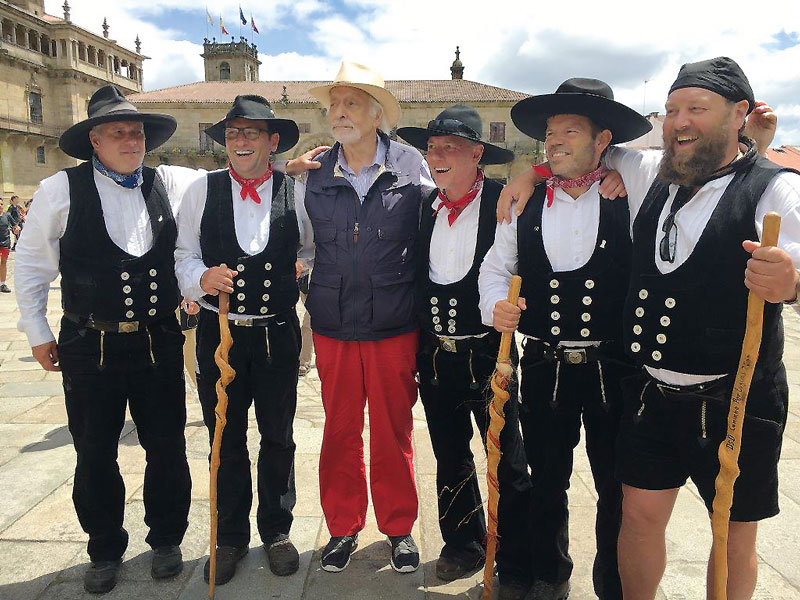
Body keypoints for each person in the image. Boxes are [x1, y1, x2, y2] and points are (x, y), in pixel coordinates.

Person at [499, 57, 796, 600]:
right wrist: (531, 172)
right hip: (650, 395)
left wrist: (791, 280)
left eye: (697, 110)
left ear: (739, 114)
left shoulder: (775, 191)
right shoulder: (648, 170)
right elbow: (582, 150)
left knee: (731, 535)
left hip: (736, 399)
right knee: (636, 517)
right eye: (674, 109)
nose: (679, 121)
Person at [14, 85, 197, 594]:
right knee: (94, 450)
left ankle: (166, 538)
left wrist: (289, 172)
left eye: (136, 132)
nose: (130, 140)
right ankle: (103, 548)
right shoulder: (59, 190)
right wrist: (37, 331)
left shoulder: (173, 183)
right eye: (117, 132)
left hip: (158, 341)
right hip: (88, 344)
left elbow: (227, 183)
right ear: (94, 139)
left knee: (167, 446)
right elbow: (30, 265)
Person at [479, 79, 651, 600]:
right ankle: (548, 576)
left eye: (569, 131)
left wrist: (616, 165)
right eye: (550, 132)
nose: (553, 141)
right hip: (545, 365)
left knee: (613, 484)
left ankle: (612, 585)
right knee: (547, 479)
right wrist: (497, 306)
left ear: (603, 140)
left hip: (612, 368)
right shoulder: (524, 201)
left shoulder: (631, 192)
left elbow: (675, 158)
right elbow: (494, 268)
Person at [175, 95, 313, 585]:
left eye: (252, 132)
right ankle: (229, 537)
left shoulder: (296, 191)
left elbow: (314, 251)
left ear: (273, 142)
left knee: (278, 436)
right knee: (225, 437)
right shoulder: (200, 190)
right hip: (221, 333)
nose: (241, 141)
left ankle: (277, 531)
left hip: (278, 332)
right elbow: (182, 254)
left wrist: (300, 273)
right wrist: (200, 278)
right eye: (234, 133)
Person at [302, 61, 433, 573]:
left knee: (392, 429)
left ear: (377, 114)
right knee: (338, 430)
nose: (339, 114)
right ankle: (342, 527)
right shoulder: (312, 171)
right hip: (333, 322)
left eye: (351, 103)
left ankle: (398, 528)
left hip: (394, 322)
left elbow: (438, 220)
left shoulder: (410, 164)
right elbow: (300, 240)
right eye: (334, 105)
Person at [397, 105, 533, 599]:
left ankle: (516, 557)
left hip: (488, 354)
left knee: (507, 457)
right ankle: (463, 544)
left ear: (478, 154)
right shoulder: (423, 206)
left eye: (449, 147)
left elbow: (530, 267)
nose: (437, 156)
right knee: (449, 453)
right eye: (432, 148)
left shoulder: (507, 202)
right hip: (435, 354)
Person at [0, 197, 11, 292]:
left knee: (3, 262)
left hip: (5, 243)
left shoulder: (7, 215)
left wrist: (16, 229)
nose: (0, 206)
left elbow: (15, 225)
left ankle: (2, 284)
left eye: (1, 204)